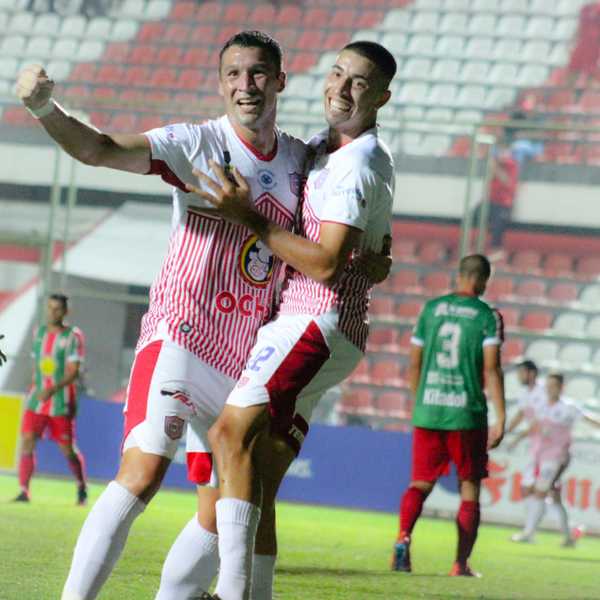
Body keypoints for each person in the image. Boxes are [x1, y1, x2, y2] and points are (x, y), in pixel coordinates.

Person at [16, 31, 388, 600]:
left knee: (222, 513)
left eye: (259, 73)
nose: (246, 86)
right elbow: (97, 148)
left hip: (242, 355)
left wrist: (374, 261)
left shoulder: (302, 157)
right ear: (219, 84)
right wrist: (44, 106)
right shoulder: (194, 145)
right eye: (234, 75)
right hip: (180, 335)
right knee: (142, 474)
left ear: (281, 81)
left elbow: (344, 219)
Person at [186, 40, 396, 600]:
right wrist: (379, 255)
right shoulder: (335, 149)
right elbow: (371, 243)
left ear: (382, 96)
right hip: (326, 326)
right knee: (258, 475)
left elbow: (326, 264)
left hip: (314, 319)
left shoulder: (355, 163)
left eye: (359, 83)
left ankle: (227, 593)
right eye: (336, 73)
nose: (342, 88)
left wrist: (245, 215)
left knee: (228, 434)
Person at [391, 254, 505, 577]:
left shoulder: (430, 310)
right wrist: (501, 416)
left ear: (459, 276)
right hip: (466, 414)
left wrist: (421, 401)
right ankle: (460, 563)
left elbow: (414, 363)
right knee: (469, 487)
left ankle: (402, 538)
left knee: (420, 483)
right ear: (483, 280)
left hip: (428, 410)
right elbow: (492, 369)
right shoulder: (486, 316)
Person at [509, 372, 600, 546]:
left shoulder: (568, 407)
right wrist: (516, 439)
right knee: (543, 493)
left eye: (553, 386)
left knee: (540, 491)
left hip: (556, 458)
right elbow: (534, 426)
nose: (549, 389)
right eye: (548, 385)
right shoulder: (542, 406)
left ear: (561, 387)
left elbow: (588, 419)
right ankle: (570, 534)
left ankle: (528, 533)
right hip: (538, 456)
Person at [13, 294, 87, 504]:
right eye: (50, 308)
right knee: (27, 440)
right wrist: (35, 387)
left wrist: (52, 389)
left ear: (65, 312)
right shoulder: (39, 333)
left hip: (60, 401)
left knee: (67, 449)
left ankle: (81, 486)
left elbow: (73, 371)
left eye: (57, 309)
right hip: (37, 400)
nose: (52, 313)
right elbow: (37, 366)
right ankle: (23, 491)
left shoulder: (73, 336)